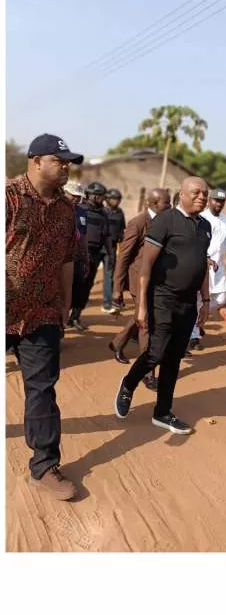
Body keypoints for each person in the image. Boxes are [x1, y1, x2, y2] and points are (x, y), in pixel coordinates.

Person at [6, 133, 84, 500]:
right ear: (36, 161)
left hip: (42, 313)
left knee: (42, 389)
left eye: (68, 161)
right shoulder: (8, 197)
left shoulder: (68, 209)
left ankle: (44, 466)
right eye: (59, 160)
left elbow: (67, 259)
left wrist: (65, 303)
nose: (66, 166)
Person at [114, 177, 211, 435]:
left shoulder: (205, 226)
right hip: (162, 298)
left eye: (205, 193)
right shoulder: (165, 220)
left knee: (174, 359)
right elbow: (146, 264)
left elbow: (202, 267)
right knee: (156, 353)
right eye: (196, 192)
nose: (202, 197)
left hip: (188, 303)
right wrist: (142, 305)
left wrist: (206, 301)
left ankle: (162, 412)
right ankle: (128, 383)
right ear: (182, 194)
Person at [109, 187, 172, 391]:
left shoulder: (167, 222)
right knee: (147, 324)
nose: (170, 206)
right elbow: (124, 257)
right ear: (154, 204)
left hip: (157, 280)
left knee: (141, 316)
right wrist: (117, 289)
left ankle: (118, 343)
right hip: (138, 281)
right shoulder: (138, 223)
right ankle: (148, 371)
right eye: (166, 203)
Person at [190, 188, 226, 345]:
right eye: (216, 200)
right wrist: (205, 258)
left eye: (222, 201)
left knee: (221, 298)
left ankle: (197, 324)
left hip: (219, 267)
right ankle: (194, 335)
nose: (219, 203)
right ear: (209, 201)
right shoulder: (201, 218)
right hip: (202, 264)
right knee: (199, 300)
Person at [68, 181, 114, 331]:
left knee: (85, 287)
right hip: (75, 255)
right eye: (100, 196)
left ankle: (75, 316)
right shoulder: (79, 210)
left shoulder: (104, 214)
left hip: (93, 256)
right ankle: (61, 317)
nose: (102, 199)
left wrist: (111, 254)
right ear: (92, 196)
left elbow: (106, 236)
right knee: (70, 285)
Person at [63, 181, 90, 329]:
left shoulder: (81, 212)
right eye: (73, 196)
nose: (76, 199)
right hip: (60, 258)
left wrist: (86, 257)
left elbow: (84, 236)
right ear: (65, 193)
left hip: (77, 257)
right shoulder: (56, 209)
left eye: (78, 197)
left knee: (77, 289)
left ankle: (72, 318)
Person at [102, 188, 126, 313]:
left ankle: (107, 303)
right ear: (107, 199)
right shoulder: (102, 211)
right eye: (113, 199)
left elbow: (122, 229)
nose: (116, 202)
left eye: (118, 199)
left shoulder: (120, 213)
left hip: (111, 247)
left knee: (109, 275)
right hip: (99, 246)